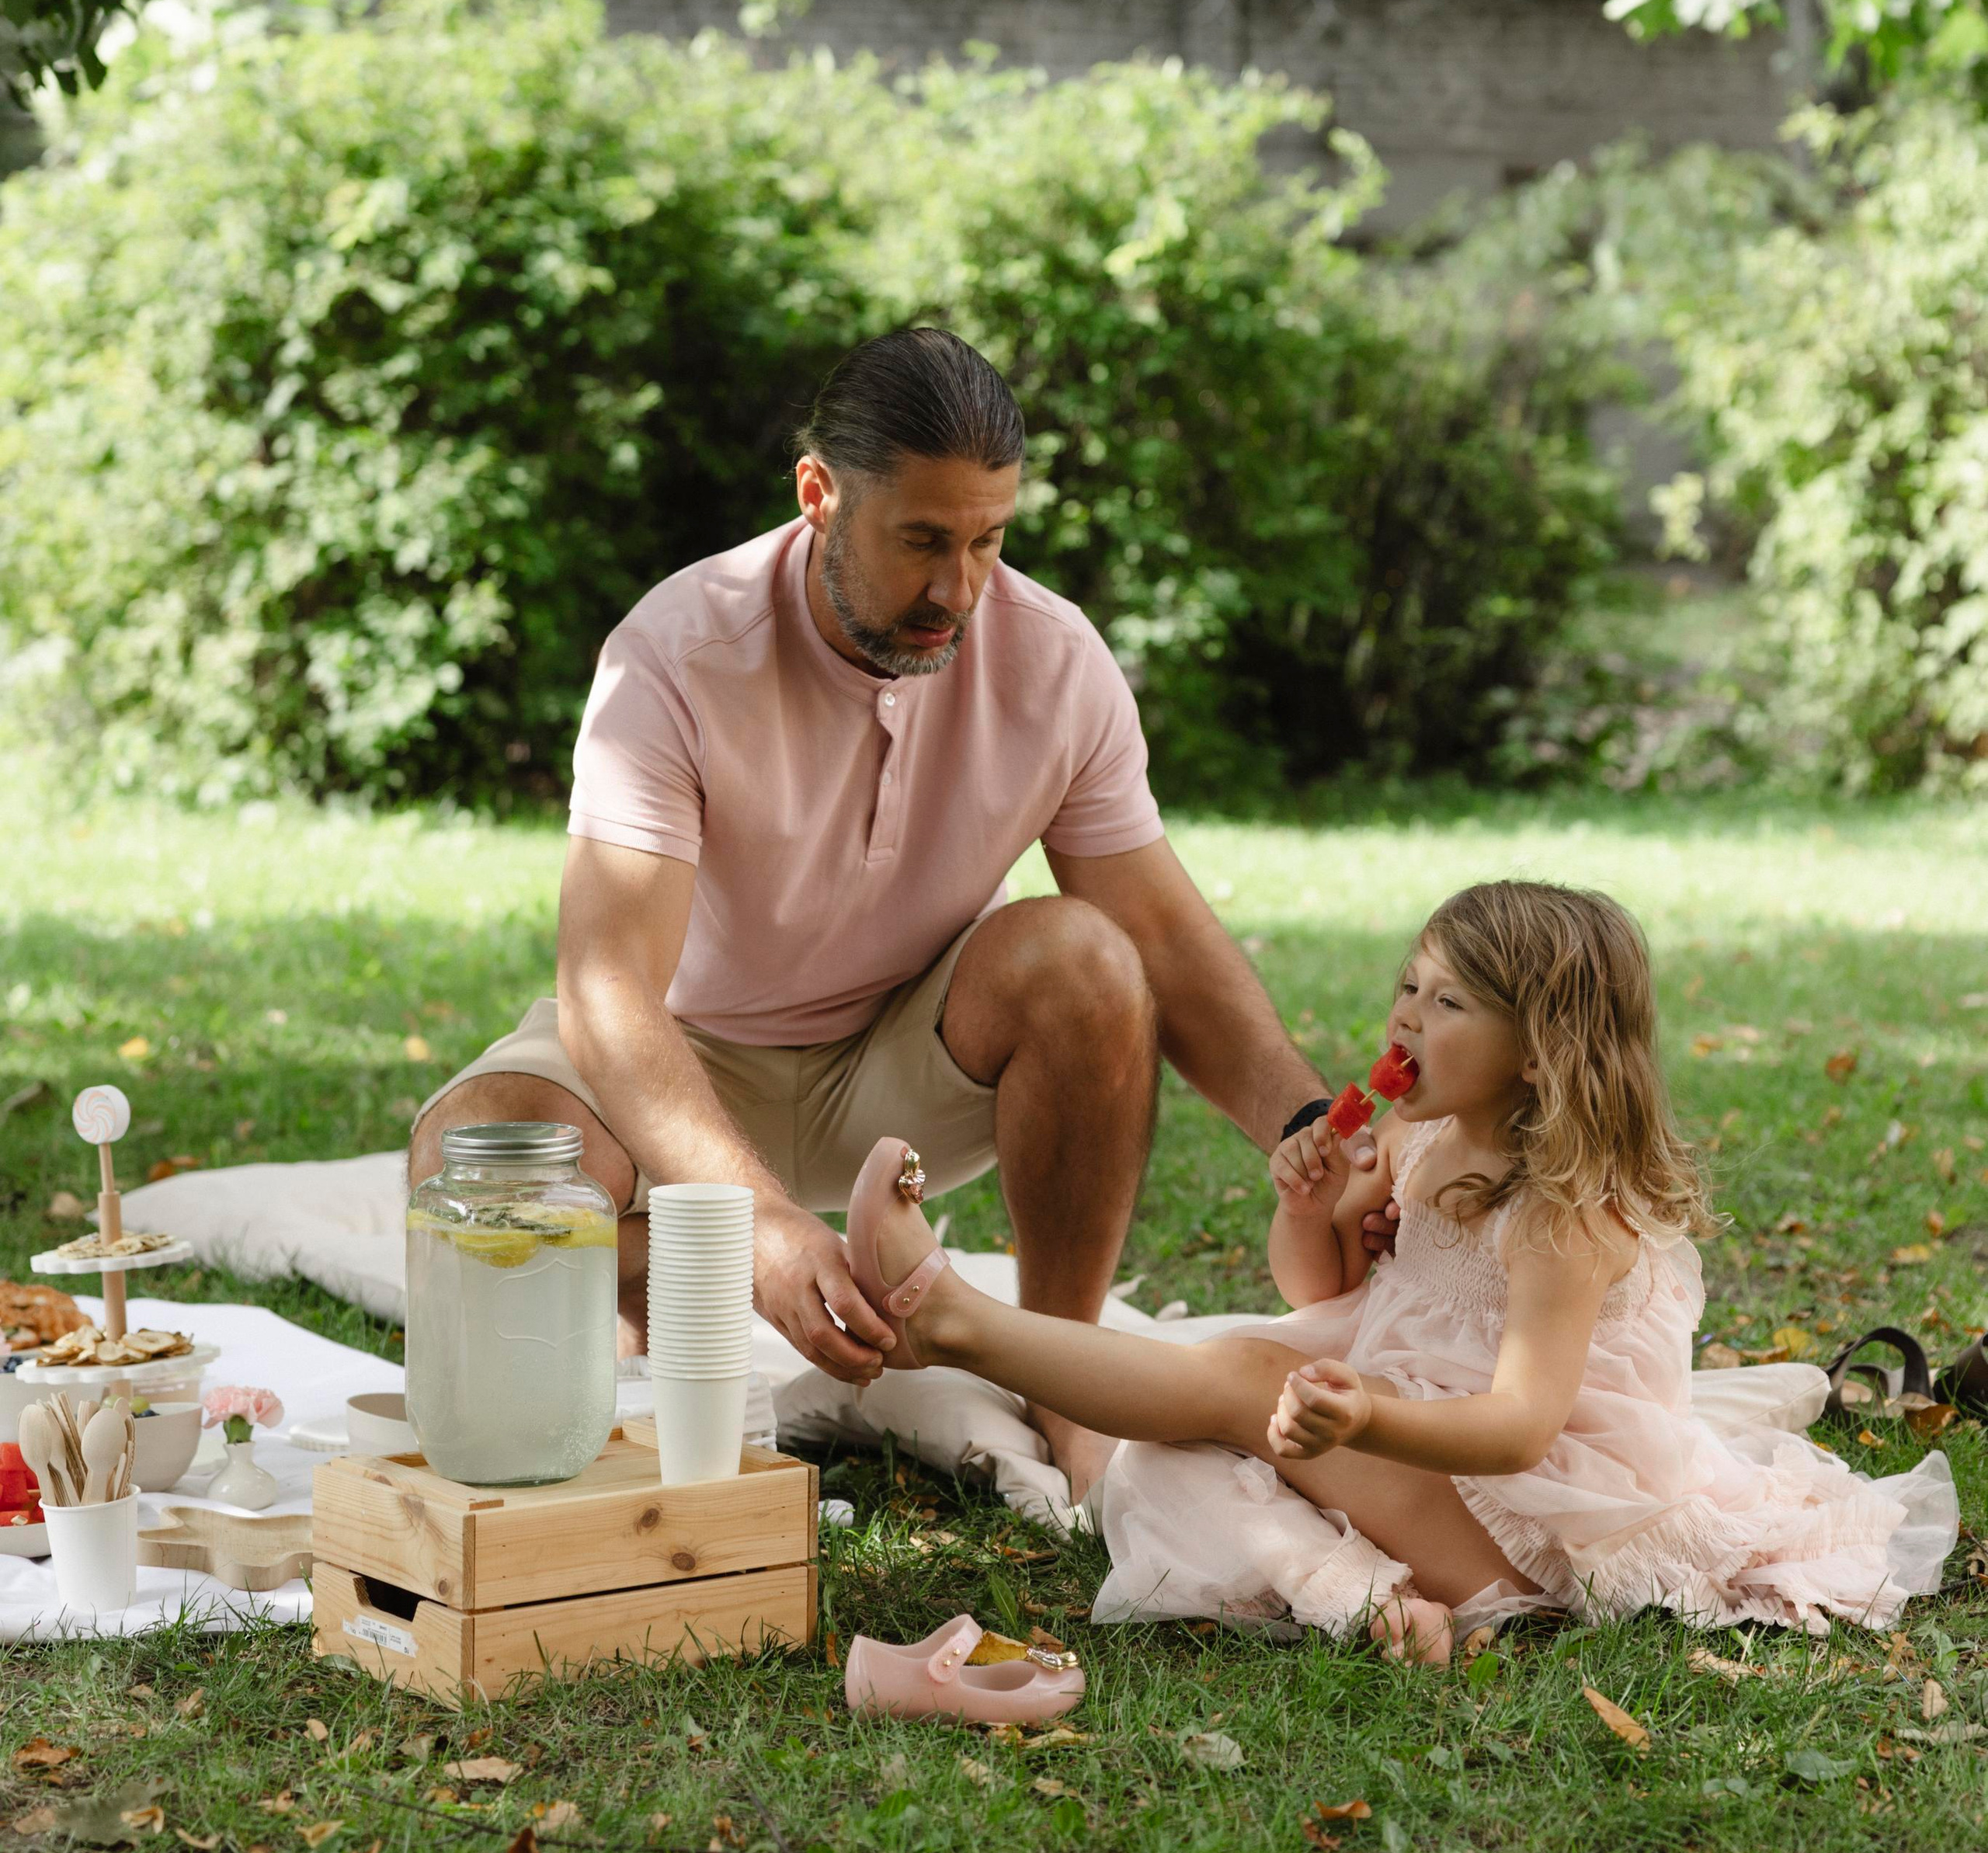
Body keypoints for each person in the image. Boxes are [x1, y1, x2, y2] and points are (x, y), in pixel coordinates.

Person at [411, 325, 1334, 1486]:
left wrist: (1313, 1130)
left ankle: (1059, 1376)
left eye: (989, 542)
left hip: (902, 1070)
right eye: (923, 542)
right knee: (477, 1147)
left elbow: (1159, 938)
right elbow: (608, 991)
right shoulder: (674, 654)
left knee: (1089, 957)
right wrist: (756, 1231)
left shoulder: (1056, 661)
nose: (959, 589)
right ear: (819, 496)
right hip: (688, 1057)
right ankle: (664, 1316)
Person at [843, 880, 1958, 1657]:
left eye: (1450, 1002)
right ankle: (1364, 1600)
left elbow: (1522, 1427)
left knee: (1235, 1380)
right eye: (1409, 988)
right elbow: (1320, 1295)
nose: (1405, 1018)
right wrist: (1313, 1206)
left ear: (1544, 1048)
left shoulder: (1565, 1212)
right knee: (1156, 1456)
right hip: (1412, 1452)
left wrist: (1364, 1420)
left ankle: (955, 1322)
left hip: (1523, 1522)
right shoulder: (1426, 1144)